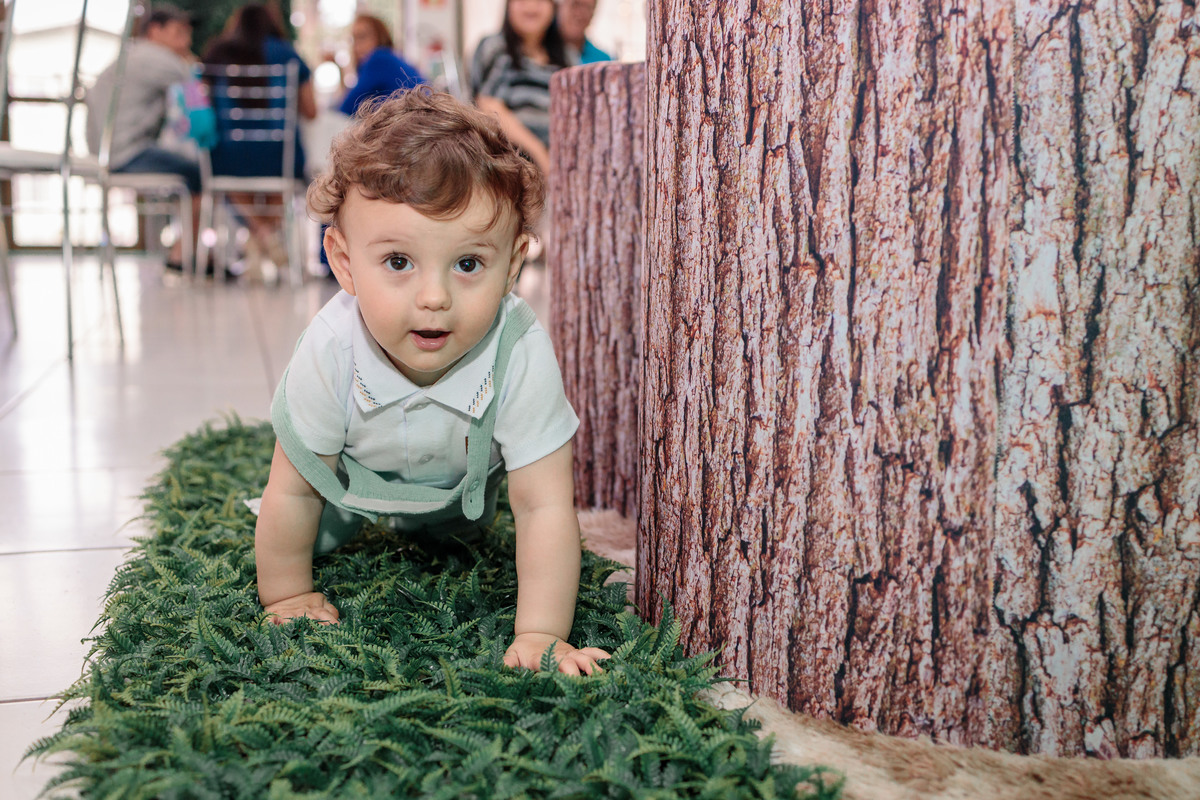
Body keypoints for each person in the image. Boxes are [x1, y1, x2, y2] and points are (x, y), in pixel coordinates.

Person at [256, 90, 610, 676]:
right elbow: (295, 488)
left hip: (465, 501)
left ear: (513, 267)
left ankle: (445, 525)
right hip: (350, 487)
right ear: (343, 263)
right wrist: (288, 595)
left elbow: (544, 504)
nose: (434, 298)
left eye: (468, 264)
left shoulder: (517, 350)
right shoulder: (331, 346)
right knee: (311, 523)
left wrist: (542, 633)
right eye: (398, 262)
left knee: (463, 537)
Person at [85, 4, 202, 271]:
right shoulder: (157, 58)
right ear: (154, 31)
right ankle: (182, 255)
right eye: (179, 32)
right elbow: (195, 85)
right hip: (125, 154)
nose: (186, 39)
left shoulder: (132, 54)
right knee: (198, 175)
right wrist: (188, 58)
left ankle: (185, 251)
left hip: (106, 152)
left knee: (186, 167)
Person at [202, 3, 317, 274]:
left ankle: (257, 235)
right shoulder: (288, 55)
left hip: (227, 157)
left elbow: (202, 106)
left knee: (229, 164)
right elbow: (311, 111)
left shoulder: (216, 53)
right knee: (282, 176)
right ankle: (267, 234)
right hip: (279, 157)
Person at [471, 0, 569, 175]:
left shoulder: (566, 58)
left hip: (560, 165)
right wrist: (539, 152)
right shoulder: (496, 47)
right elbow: (488, 105)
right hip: (509, 166)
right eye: (522, 1)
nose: (531, 7)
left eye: (540, 2)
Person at [339, 14, 425, 116]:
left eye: (362, 37)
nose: (357, 45)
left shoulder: (379, 59)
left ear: (379, 37)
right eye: (354, 39)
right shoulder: (390, 57)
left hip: (414, 122)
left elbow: (347, 107)